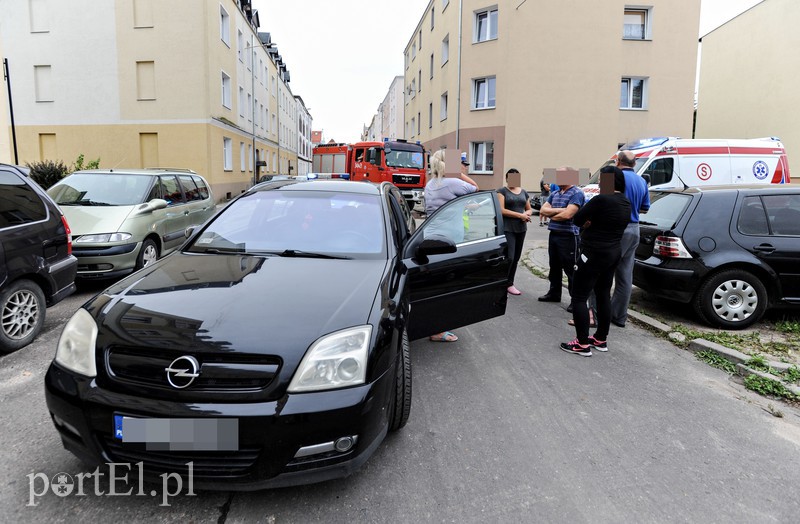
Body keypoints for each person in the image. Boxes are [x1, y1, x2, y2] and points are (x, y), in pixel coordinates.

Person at [560, 166, 631, 356]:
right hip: (613, 253)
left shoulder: (601, 200)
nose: (599, 182)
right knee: (602, 294)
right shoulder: (625, 201)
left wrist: (589, 222)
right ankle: (600, 339)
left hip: (593, 252)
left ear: (608, 181)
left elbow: (577, 219)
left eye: (601, 179)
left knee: (579, 296)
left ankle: (582, 344)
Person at [424, 149, 479, 342]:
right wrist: (458, 172)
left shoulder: (431, 184)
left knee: (437, 284)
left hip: (432, 238)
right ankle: (438, 330)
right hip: (448, 242)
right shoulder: (453, 182)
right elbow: (475, 187)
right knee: (446, 286)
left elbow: (446, 205)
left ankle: (433, 325)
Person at [609, 150, 651, 327]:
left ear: (618, 161)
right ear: (634, 164)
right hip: (634, 229)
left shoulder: (611, 177)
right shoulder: (642, 181)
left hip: (614, 228)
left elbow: (604, 202)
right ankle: (619, 317)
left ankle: (594, 313)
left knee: (601, 272)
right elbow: (645, 208)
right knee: (625, 275)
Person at [537, 168, 585, 306]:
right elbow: (542, 210)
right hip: (554, 235)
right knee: (554, 266)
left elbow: (568, 215)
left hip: (569, 236)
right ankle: (554, 293)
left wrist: (552, 215)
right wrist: (562, 210)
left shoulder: (576, 193)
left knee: (571, 269)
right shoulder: (555, 193)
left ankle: (575, 300)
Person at [497, 168, 532, 296]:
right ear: (506, 178)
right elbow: (501, 210)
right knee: (509, 257)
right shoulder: (502, 191)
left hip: (521, 229)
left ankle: (510, 283)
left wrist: (526, 215)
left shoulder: (524, 192)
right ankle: (502, 281)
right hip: (508, 228)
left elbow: (529, 209)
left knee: (516, 257)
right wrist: (520, 216)